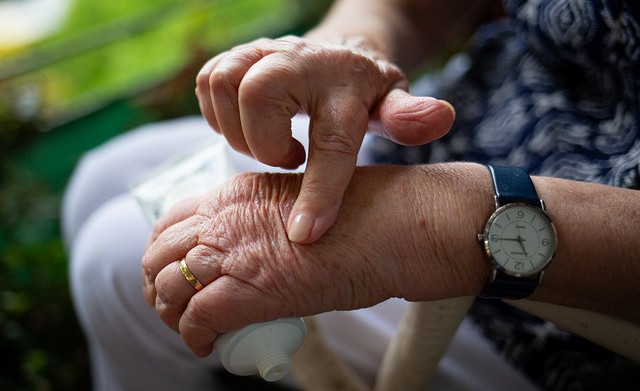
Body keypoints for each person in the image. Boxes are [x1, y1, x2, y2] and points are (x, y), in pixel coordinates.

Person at [63, 0, 640, 390]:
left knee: (113, 264)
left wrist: (445, 223)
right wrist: (354, 45)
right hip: (444, 129)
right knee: (103, 176)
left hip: (562, 293)